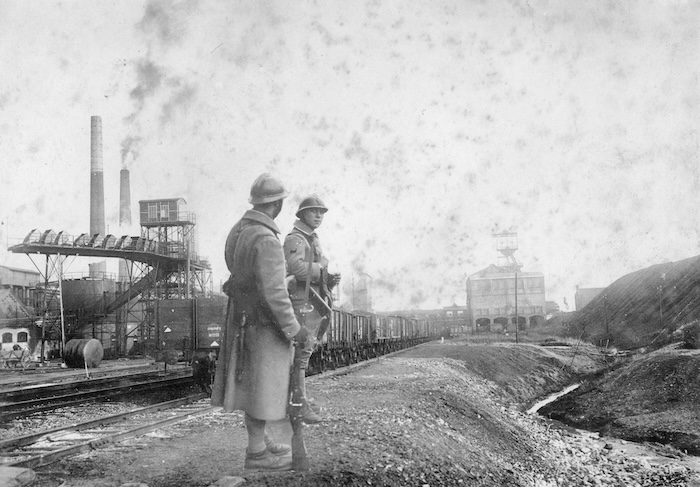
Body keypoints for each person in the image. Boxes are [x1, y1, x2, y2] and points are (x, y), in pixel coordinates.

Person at [211, 173, 309, 472]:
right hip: (265, 325)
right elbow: (275, 293)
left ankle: (261, 441)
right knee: (264, 389)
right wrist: (295, 329)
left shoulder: (239, 231)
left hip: (243, 319)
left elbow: (234, 268)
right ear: (277, 205)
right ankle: (256, 453)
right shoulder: (266, 239)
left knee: (252, 386)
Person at [283, 194, 341, 424]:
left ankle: (299, 400)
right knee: (301, 356)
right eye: (313, 211)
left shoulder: (311, 237)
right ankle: (299, 405)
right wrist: (322, 268)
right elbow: (297, 268)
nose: (318, 215)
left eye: (321, 212)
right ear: (302, 214)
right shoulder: (296, 238)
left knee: (303, 354)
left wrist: (328, 276)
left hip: (312, 300)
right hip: (301, 302)